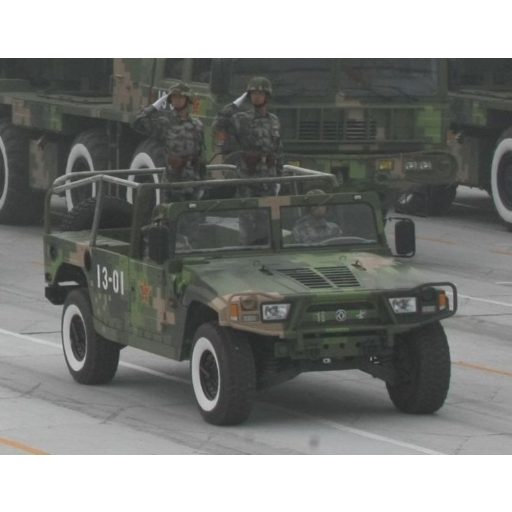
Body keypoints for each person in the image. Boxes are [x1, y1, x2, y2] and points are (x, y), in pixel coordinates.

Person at [132, 81, 206, 201]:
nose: (177, 100)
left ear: (187, 99)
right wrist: (154, 106)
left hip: (193, 183)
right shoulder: (165, 122)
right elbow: (138, 123)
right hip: (172, 184)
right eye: (174, 97)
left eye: (180, 97)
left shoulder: (197, 125)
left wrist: (203, 182)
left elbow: (200, 156)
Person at [214, 76, 283, 198]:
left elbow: (278, 150)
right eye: (253, 93)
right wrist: (235, 104)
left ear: (267, 96)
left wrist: (279, 178)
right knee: (248, 209)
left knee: (268, 210)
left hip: (269, 178)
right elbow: (219, 123)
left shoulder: (274, 120)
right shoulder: (241, 119)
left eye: (260, 93)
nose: (256, 96)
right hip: (247, 178)